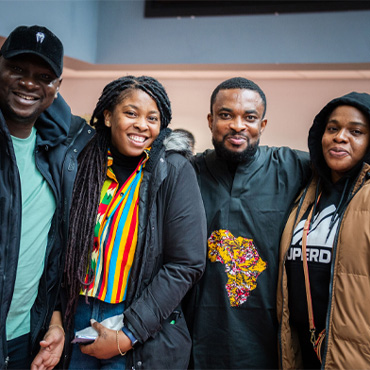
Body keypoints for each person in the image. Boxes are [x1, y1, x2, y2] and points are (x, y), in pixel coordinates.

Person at [62, 75, 207, 369]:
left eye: (152, 118)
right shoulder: (85, 164)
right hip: (77, 310)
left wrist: (129, 333)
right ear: (107, 115)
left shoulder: (174, 170)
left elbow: (186, 264)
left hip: (138, 316)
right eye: (131, 113)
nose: (142, 124)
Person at [185, 77, 311, 369]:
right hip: (199, 342)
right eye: (226, 115)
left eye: (249, 117)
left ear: (262, 125)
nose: (238, 125)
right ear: (211, 120)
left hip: (269, 345)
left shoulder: (291, 167)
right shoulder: (189, 173)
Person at [0, 25, 93, 369]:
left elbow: (52, 246)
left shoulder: (62, 152)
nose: (28, 83)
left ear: (57, 88)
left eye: (43, 76)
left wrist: (54, 316)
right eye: (17, 69)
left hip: (26, 338)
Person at [277, 92, 370, 369]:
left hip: (354, 356)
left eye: (355, 131)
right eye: (332, 128)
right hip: (302, 351)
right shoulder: (305, 194)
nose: (340, 137)